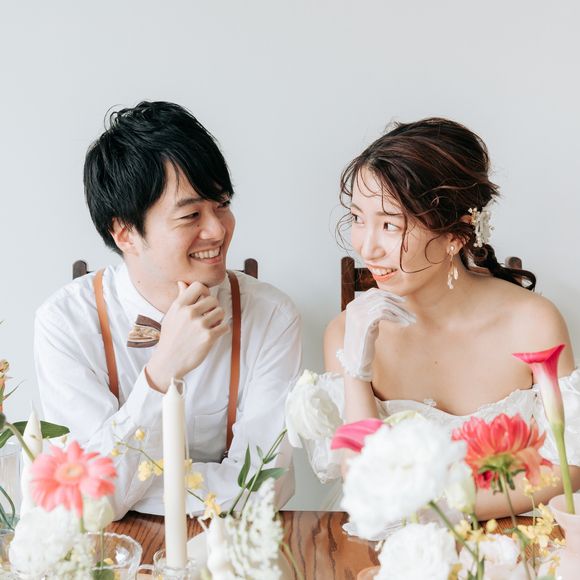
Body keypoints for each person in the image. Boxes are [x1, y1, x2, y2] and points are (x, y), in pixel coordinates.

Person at [296, 117, 579, 520]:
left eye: (389, 224)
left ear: (455, 235)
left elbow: (568, 464)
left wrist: (445, 509)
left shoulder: (533, 323)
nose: (367, 247)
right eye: (358, 218)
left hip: (515, 538)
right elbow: (360, 479)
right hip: (390, 544)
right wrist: (356, 369)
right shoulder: (347, 332)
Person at [35, 101, 301, 519]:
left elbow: (261, 487)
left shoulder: (272, 316)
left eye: (222, 204)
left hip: (227, 544)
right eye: (191, 214)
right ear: (125, 233)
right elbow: (88, 501)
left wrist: (129, 490)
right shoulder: (65, 323)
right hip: (115, 548)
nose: (218, 229)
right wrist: (162, 372)